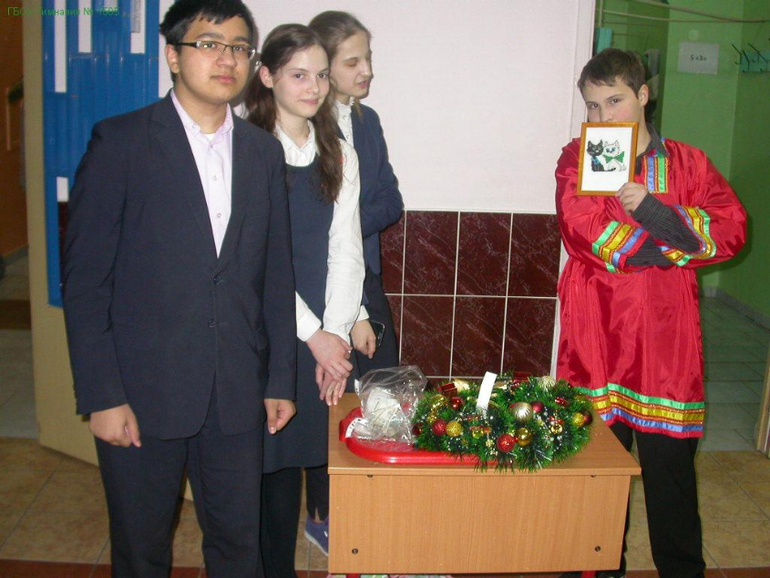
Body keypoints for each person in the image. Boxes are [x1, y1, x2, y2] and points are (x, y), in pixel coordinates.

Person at [61, 0, 297, 576]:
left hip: (237, 392)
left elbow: (276, 275)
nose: (227, 59)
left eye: (239, 47)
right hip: (141, 393)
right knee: (141, 550)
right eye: (209, 44)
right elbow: (86, 282)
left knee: (238, 548)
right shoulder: (121, 143)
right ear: (172, 55)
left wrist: (278, 380)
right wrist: (101, 394)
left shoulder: (263, 152)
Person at [555, 48, 746, 578]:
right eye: (592, 106)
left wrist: (656, 211)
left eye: (614, 101)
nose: (603, 117)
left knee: (671, 473)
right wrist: (673, 243)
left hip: (666, 338)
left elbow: (730, 227)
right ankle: (592, 569)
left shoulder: (687, 163)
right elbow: (582, 227)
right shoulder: (578, 157)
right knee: (595, 471)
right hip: (596, 334)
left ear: (643, 95)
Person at [245, 24, 365, 575]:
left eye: (320, 75)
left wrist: (335, 334)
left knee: (306, 454)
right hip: (266, 328)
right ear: (267, 76)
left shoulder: (339, 152)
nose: (314, 87)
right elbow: (252, 260)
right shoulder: (246, 147)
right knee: (267, 470)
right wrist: (314, 335)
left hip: (323, 332)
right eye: (298, 75)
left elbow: (346, 248)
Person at [309, 11, 404, 377]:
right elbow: (310, 223)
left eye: (368, 58)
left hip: (365, 273)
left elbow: (391, 203)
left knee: (384, 387)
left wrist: (342, 225)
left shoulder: (368, 121)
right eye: (352, 62)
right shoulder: (306, 127)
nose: (367, 71)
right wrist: (341, 229)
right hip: (318, 282)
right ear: (324, 67)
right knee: (335, 390)